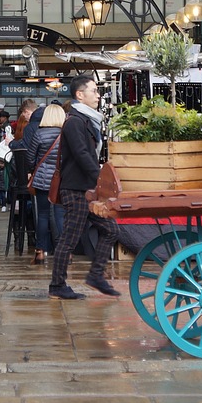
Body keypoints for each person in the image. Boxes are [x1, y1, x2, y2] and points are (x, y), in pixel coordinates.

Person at [48, 75, 120, 300]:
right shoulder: (76, 121)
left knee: (111, 230)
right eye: (94, 90)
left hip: (86, 188)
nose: (98, 95)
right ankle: (57, 285)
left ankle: (96, 275)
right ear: (80, 95)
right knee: (70, 237)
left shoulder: (88, 119)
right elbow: (81, 154)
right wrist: (101, 179)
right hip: (76, 188)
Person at [27, 104, 65, 265]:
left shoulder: (39, 133)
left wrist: (33, 168)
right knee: (60, 215)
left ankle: (40, 251)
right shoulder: (66, 134)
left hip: (42, 179)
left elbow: (30, 157)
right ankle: (65, 252)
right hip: (61, 179)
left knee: (42, 215)